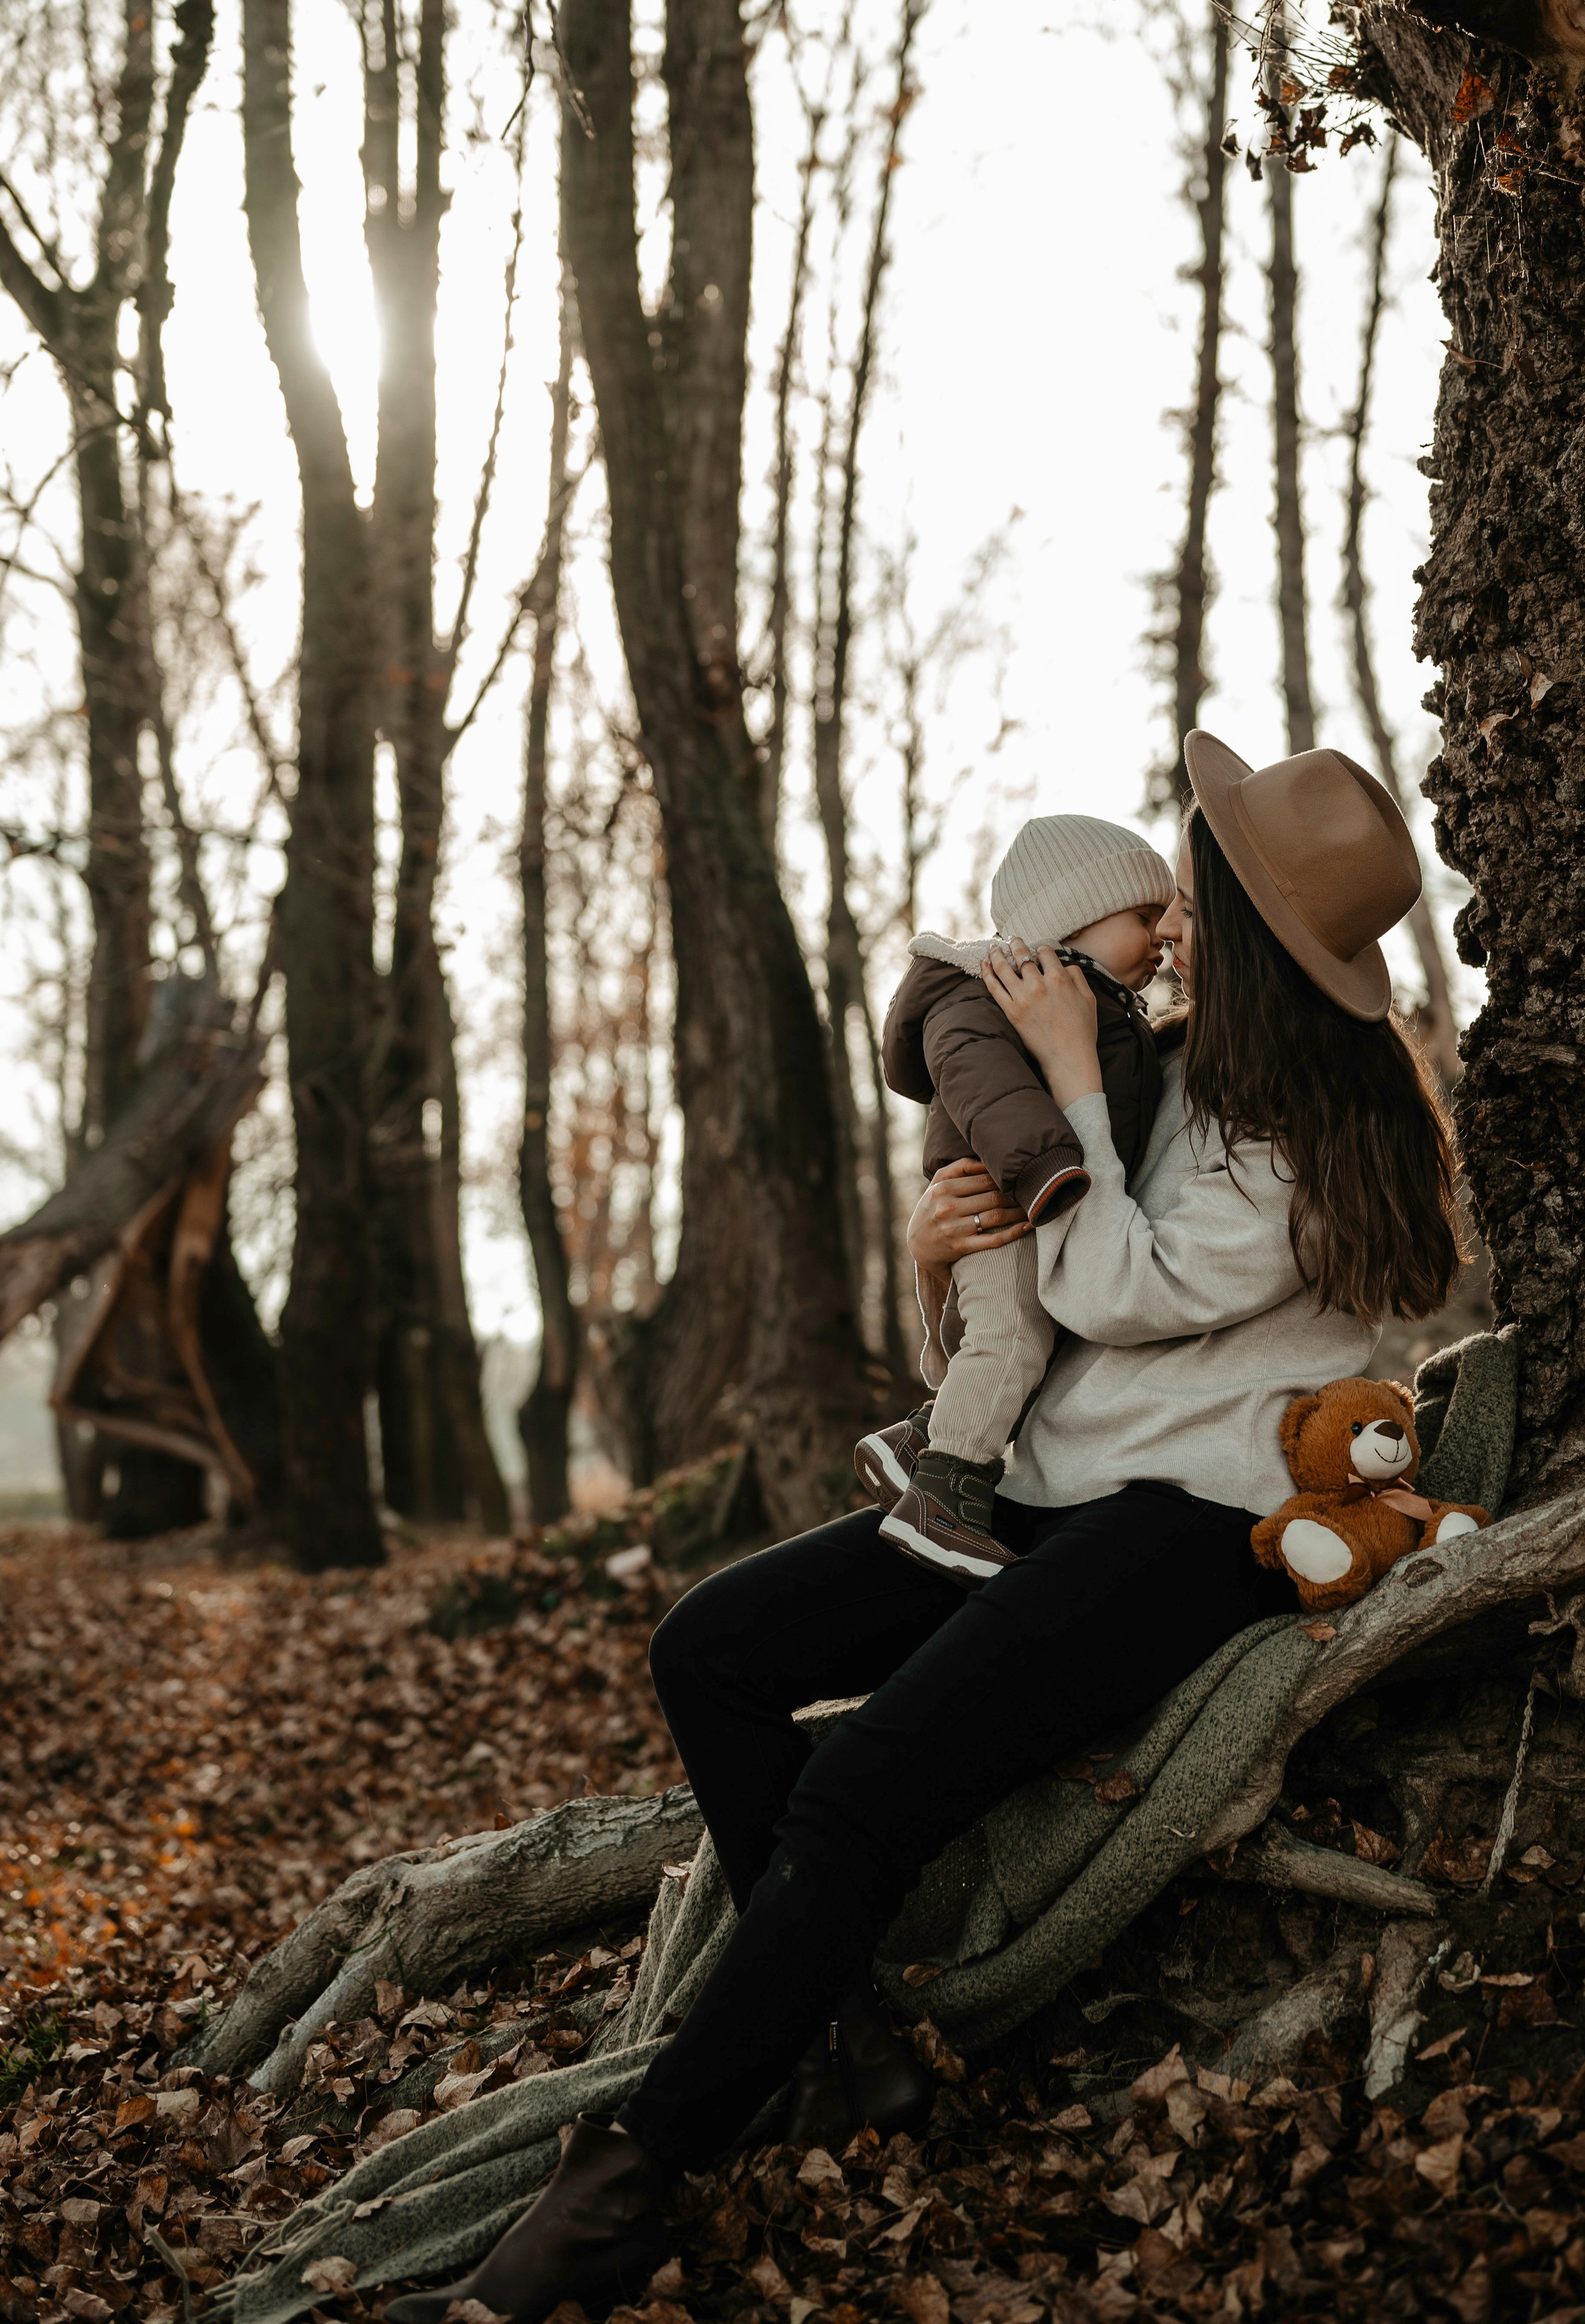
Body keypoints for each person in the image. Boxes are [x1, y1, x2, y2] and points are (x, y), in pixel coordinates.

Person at [388, 733, 1462, 2324]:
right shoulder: (1170, 1067)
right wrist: (932, 1245)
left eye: (1192, 899)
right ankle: (843, 2040)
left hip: (1187, 1527)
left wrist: (1075, 1084)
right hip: (1043, 1486)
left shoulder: (1304, 1132)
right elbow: (1035, 1302)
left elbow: (1114, 1284)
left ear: (1248, 927)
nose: (1166, 928)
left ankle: (625, 2185)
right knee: (713, 1648)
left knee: (864, 1791)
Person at [860, 811, 1174, 1583]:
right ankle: (944, 1500)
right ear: (1077, 914)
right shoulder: (993, 992)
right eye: (1144, 917)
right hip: (1007, 1203)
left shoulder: (1105, 1005)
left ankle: (918, 1441)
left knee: (1021, 1344)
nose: (1163, 936)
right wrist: (1042, 1167)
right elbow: (983, 1081)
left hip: (1036, 1205)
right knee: (1011, 1338)